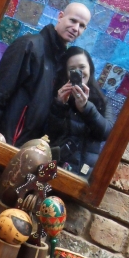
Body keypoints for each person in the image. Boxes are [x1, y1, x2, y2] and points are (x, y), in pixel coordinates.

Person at [0, 3, 91, 147]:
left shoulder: (62, 62)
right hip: (3, 141)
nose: (76, 28)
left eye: (82, 26)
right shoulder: (29, 45)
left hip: (27, 149)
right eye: (73, 20)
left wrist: (60, 103)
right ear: (60, 16)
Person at [47, 47, 114, 177]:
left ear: (90, 69)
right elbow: (50, 134)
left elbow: (107, 134)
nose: (78, 72)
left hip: (84, 174)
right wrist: (59, 105)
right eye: (72, 69)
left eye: (82, 67)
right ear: (66, 73)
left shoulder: (101, 101)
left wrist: (86, 108)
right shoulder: (58, 95)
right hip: (57, 168)